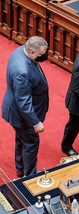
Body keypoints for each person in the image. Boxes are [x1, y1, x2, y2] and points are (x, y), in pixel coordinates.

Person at [1, 36, 49, 177]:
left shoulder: (20, 51)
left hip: (17, 112)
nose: (44, 57)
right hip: (22, 115)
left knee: (21, 139)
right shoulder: (22, 71)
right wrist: (35, 122)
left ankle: (20, 167)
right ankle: (30, 177)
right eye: (41, 55)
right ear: (31, 51)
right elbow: (23, 101)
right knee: (31, 144)